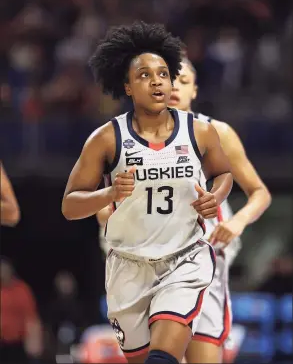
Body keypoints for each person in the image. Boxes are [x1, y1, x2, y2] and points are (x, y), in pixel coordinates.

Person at [62, 21, 233, 364]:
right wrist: (108, 194)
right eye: (144, 75)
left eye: (163, 73)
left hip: (184, 260)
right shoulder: (106, 138)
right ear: (126, 86)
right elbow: (70, 205)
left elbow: (224, 173)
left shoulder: (200, 132)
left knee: (163, 357)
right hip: (129, 266)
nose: (156, 80)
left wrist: (216, 196)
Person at [97, 55, 272, 364]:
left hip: (199, 259)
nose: (175, 87)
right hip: (143, 261)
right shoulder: (125, 135)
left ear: (195, 91)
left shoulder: (216, 132)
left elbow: (259, 192)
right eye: (168, 79)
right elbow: (103, 201)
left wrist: (238, 222)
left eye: (184, 81)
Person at [0, 257, 43, 363]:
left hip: (18, 343)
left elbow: (31, 317)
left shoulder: (22, 289)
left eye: (5, 269)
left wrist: (34, 341)